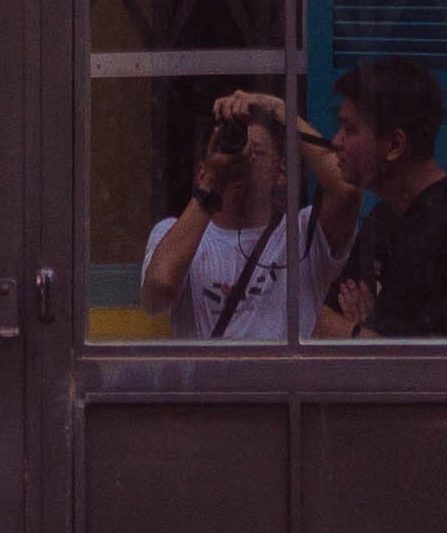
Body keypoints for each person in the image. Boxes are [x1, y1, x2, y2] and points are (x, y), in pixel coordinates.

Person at [310, 59, 447, 340]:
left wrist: (359, 334)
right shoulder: (383, 219)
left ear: (395, 146)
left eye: (349, 129)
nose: (336, 141)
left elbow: (400, 363)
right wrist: (364, 333)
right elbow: (323, 319)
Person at [140, 85, 330, 342]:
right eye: (234, 151)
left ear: (281, 171)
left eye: (258, 153)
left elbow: (347, 187)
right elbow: (157, 294)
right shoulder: (173, 234)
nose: (245, 161)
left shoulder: (302, 233)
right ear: (201, 173)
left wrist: (276, 108)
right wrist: (210, 189)